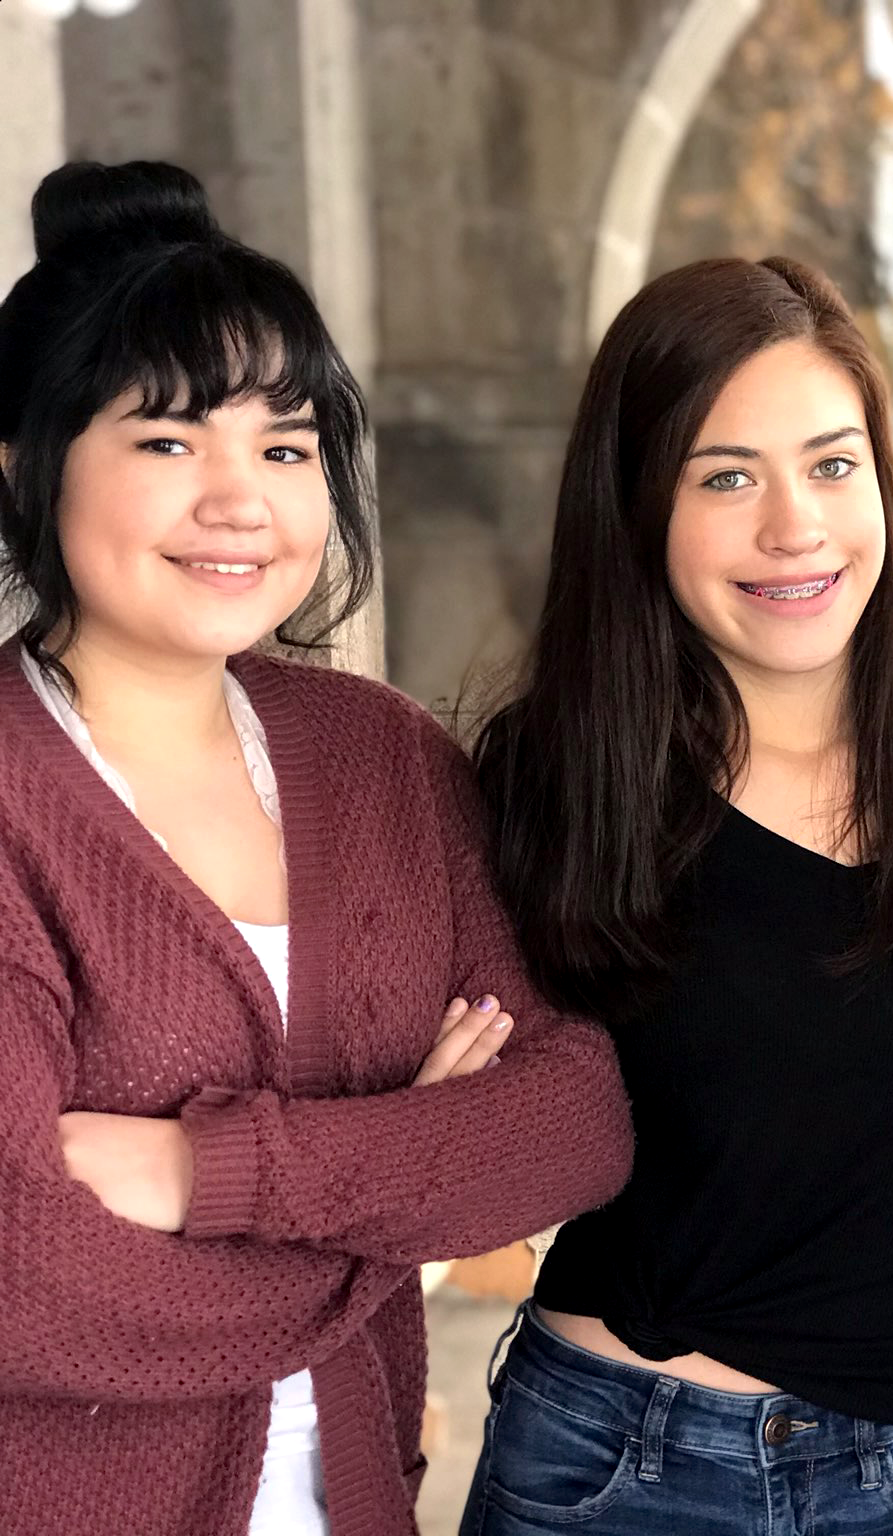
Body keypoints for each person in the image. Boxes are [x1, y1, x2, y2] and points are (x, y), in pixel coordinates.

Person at [0, 160, 634, 1536]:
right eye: (169, 442)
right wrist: (396, 1191)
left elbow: (577, 1118)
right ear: (27, 457)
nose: (244, 500)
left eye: (285, 447)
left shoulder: (380, 756)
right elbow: (19, 1274)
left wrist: (202, 1177)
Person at [459, 256, 893, 1536]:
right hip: (611, 1456)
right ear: (637, 508)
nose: (792, 527)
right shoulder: (552, 778)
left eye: (830, 463)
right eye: (724, 477)